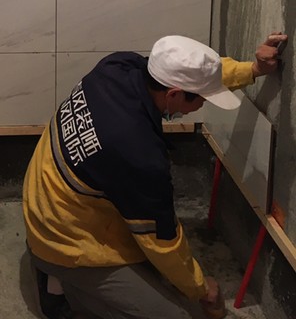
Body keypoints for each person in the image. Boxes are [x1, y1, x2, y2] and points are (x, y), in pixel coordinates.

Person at [23, 33, 287, 319]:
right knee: (177, 315)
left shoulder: (120, 66)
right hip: (61, 239)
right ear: (173, 95)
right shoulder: (138, 153)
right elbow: (162, 242)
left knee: (151, 261)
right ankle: (61, 287)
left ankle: (60, 273)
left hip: (47, 199)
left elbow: (196, 74)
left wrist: (253, 70)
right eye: (202, 99)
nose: (202, 105)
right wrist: (201, 288)